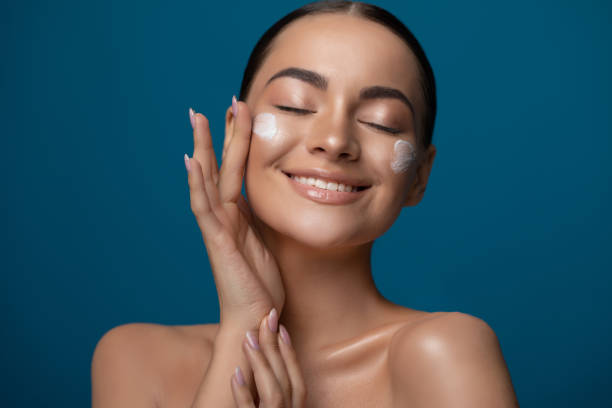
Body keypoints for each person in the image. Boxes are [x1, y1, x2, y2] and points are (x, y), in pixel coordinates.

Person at [91, 1, 519, 406]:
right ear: (235, 134)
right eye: (294, 105)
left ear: (419, 177)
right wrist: (245, 325)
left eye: (380, 122)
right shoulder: (135, 359)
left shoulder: (443, 353)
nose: (334, 141)